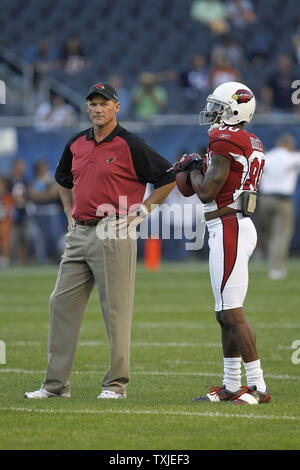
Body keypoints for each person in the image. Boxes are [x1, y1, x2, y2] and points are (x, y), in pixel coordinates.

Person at [25, 81, 175, 399]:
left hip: (113, 230)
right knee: (60, 303)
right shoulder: (76, 142)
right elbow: (63, 179)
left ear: (116, 107)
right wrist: (68, 211)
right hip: (79, 232)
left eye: (103, 103)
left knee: (116, 310)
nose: (97, 108)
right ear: (87, 107)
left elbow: (168, 176)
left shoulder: (131, 144)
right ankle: (55, 386)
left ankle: (116, 385)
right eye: (92, 103)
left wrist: (142, 212)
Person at [175, 81, 270, 404]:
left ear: (234, 109)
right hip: (235, 222)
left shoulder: (224, 139)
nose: (212, 113)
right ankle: (231, 385)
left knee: (232, 312)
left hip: (230, 225)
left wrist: (192, 168)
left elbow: (205, 192)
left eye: (218, 107)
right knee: (223, 313)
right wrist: (200, 167)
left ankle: (258, 387)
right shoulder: (251, 139)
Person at [258, 133, 300, 280]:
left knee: (269, 233)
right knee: (280, 235)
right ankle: (275, 268)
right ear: (290, 145)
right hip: (283, 200)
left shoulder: (267, 156)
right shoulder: (292, 157)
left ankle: (269, 261)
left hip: (264, 199)